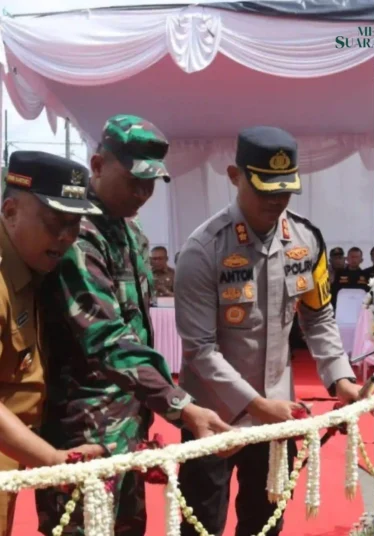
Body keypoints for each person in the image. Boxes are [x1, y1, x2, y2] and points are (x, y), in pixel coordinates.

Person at [36, 115, 234, 535]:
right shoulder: (78, 236)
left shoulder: (131, 231)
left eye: (151, 183)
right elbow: (106, 338)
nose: (143, 193)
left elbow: (137, 330)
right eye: (133, 181)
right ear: (97, 165)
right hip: (84, 427)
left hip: (130, 421)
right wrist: (180, 405)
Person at [174, 126, 363, 536]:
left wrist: (341, 378)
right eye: (264, 188)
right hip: (213, 415)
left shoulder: (306, 240)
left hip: (277, 416)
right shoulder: (204, 250)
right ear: (234, 175)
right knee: (201, 524)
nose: (276, 199)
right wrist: (256, 405)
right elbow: (199, 350)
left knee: (266, 523)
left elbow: (317, 316)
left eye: (286, 189)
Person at [0, 151, 114, 535]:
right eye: (54, 223)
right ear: (11, 211)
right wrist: (51, 459)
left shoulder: (33, 270)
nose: (66, 238)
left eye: (74, 225)